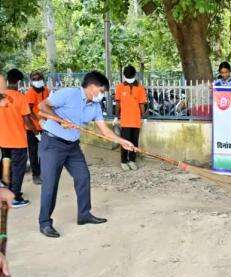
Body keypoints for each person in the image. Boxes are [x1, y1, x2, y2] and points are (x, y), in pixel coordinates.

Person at [38, 71, 136, 238]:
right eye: (102, 90)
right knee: (50, 183)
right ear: (92, 87)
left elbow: (105, 131)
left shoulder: (95, 106)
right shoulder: (69, 94)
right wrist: (58, 119)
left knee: (83, 176)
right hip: (52, 144)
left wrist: (122, 141)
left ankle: (84, 215)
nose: (103, 94)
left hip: (72, 147)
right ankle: (45, 222)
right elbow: (42, 106)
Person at [0, 69, 36, 208]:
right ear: (19, 82)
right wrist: (35, 129)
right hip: (17, 141)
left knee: (6, 167)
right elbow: (27, 119)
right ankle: (14, 198)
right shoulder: (21, 97)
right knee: (18, 168)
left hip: (3, 141)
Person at [113, 65, 147, 171]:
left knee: (132, 142)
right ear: (135, 74)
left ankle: (131, 161)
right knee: (127, 141)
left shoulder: (140, 87)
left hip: (135, 120)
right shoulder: (120, 87)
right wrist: (117, 116)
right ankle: (124, 161)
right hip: (126, 120)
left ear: (124, 75)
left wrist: (116, 115)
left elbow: (141, 104)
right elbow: (118, 102)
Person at [25, 71, 49, 185]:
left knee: (45, 150)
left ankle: (44, 171)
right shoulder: (30, 93)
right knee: (33, 151)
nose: (38, 80)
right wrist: (38, 121)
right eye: (35, 79)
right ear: (31, 81)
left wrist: (47, 118)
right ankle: (36, 174)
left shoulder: (46, 90)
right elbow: (28, 112)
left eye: (39, 78)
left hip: (44, 125)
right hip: (32, 127)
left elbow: (48, 105)